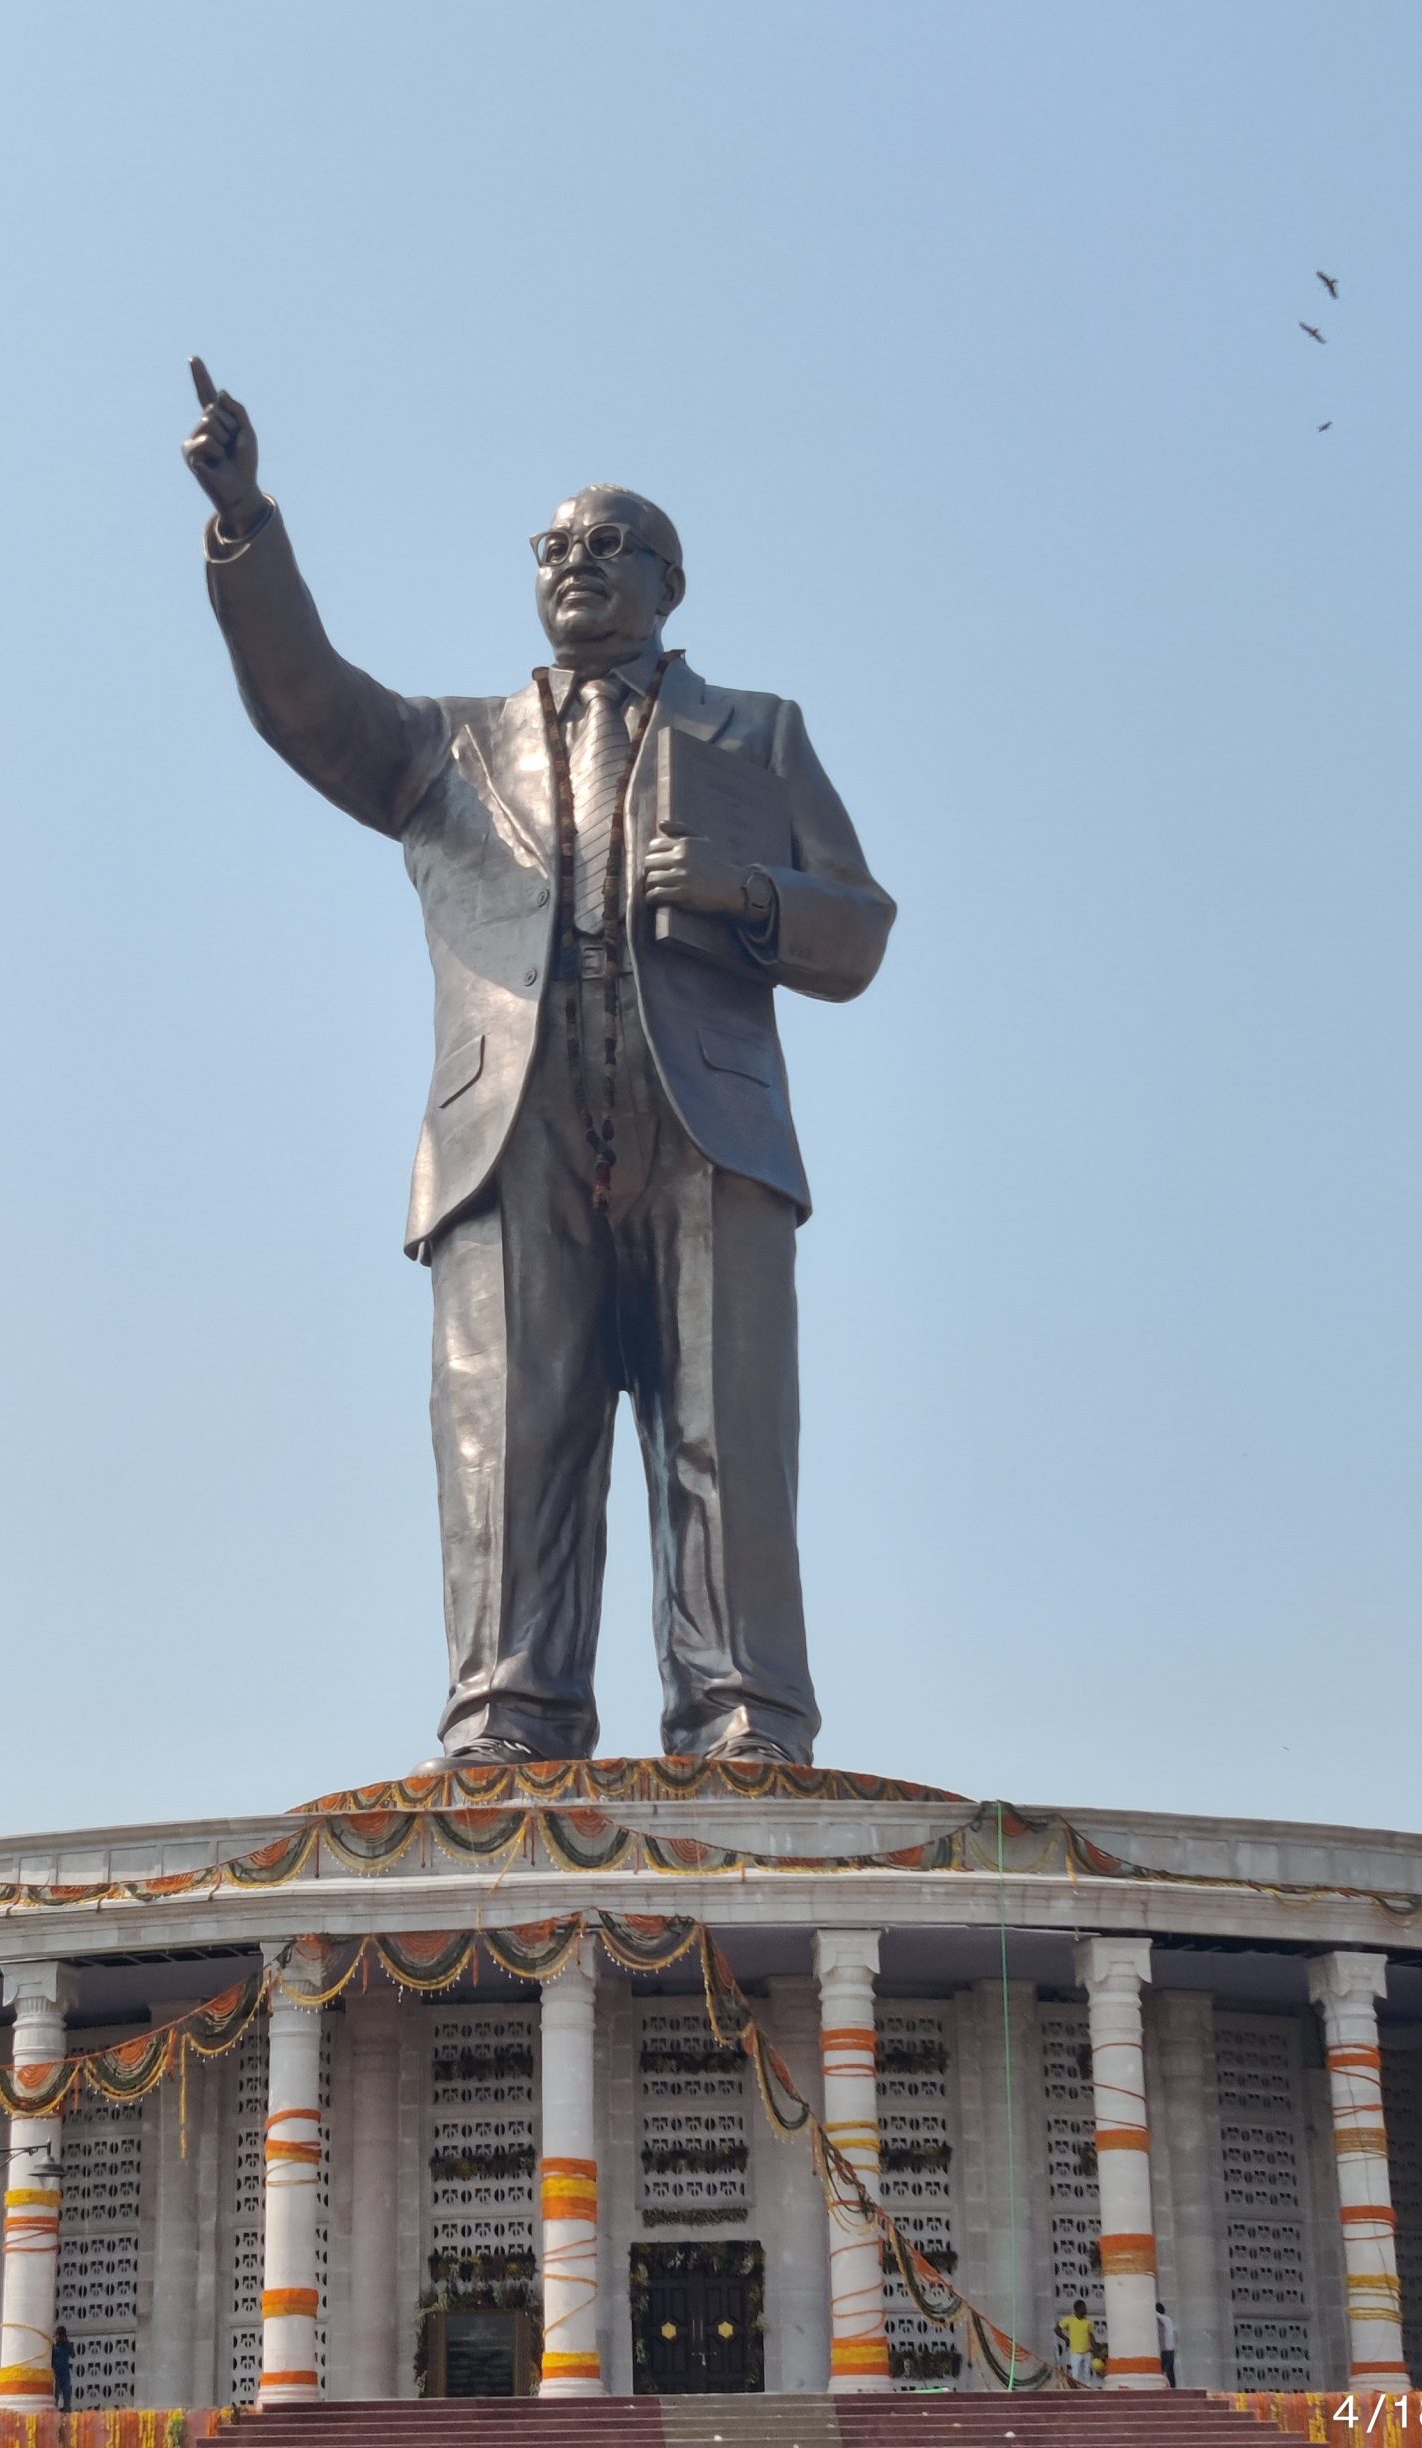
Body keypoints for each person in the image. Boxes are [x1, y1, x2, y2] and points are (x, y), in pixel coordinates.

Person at [184, 380, 895, 1771]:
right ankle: (510, 1713)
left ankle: (742, 1711)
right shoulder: (444, 749)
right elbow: (302, 701)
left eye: (609, 543)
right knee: (507, 1447)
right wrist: (247, 526)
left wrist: (752, 891)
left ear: (668, 583)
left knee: (727, 1442)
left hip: (708, 1126)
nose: (576, 563)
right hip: (512, 1128)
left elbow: (859, 928)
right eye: (555, 546)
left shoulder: (757, 735)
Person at [1057, 2297, 1096, 2386]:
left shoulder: (1088, 2321)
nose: (1086, 2309)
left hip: (1087, 2352)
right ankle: (1076, 2391)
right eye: (1084, 2307)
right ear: (1078, 2309)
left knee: (1087, 2374)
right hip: (1075, 2352)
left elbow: (1091, 2336)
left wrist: (1095, 2349)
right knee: (1076, 2374)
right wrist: (1065, 2338)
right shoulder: (1069, 2319)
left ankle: (1087, 2392)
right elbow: (1057, 2329)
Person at [50, 2323, 74, 2412]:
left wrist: (67, 2342)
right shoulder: (54, 2347)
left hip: (65, 2375)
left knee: (67, 2395)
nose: (60, 2338)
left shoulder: (66, 2346)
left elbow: (73, 2354)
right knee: (55, 2397)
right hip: (56, 2376)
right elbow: (50, 2361)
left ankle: (67, 2412)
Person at [1156, 2298, 1178, 2387]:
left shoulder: (1166, 2319)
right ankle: (1171, 2387)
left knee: (1167, 2370)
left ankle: (1172, 2387)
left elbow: (1156, 2315)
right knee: (1169, 2371)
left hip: (1167, 2350)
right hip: (1167, 2349)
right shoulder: (1167, 2320)